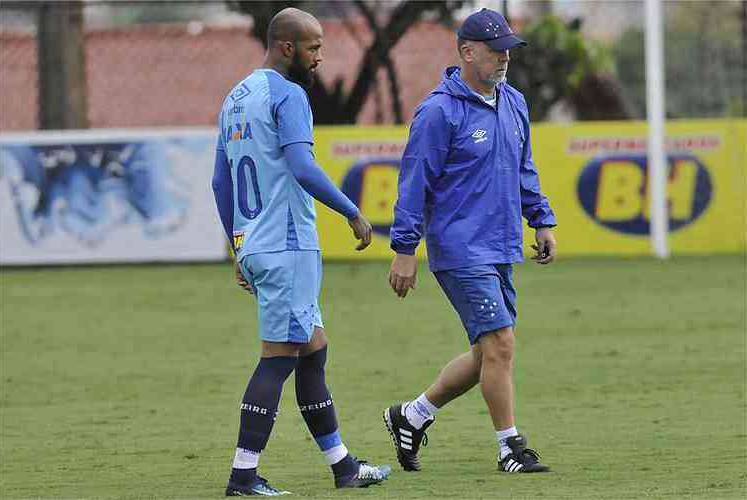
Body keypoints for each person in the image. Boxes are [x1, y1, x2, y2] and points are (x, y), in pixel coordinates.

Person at [212, 7, 390, 496]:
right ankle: (243, 475)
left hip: (257, 244)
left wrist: (238, 245)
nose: (319, 58)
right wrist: (352, 211)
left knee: (313, 351)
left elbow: (219, 181)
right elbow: (303, 167)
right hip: (287, 245)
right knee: (278, 359)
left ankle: (344, 467)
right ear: (286, 47)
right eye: (313, 47)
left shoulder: (235, 97)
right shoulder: (288, 96)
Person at [383, 8, 557, 475]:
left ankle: (412, 414)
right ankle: (509, 448)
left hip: (501, 245)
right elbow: (413, 182)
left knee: (487, 353)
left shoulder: (514, 101)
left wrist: (541, 219)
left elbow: (524, 168)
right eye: (495, 50)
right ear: (467, 51)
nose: (504, 58)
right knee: (500, 344)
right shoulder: (439, 111)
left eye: (508, 50)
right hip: (460, 250)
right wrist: (404, 249)